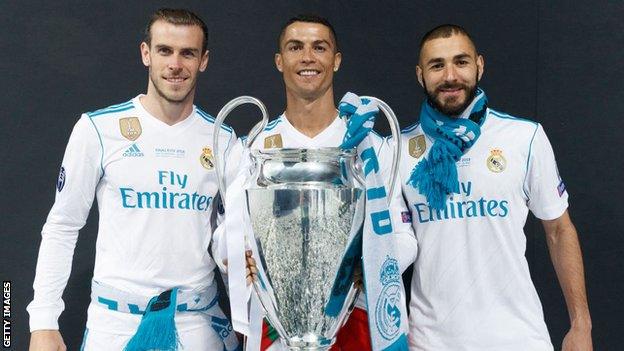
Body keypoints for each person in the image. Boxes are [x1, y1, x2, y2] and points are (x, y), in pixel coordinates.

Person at [27, 8, 239, 351]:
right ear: (146, 54)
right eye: (164, 50)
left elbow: (235, 237)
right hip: (116, 326)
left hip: (198, 323)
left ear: (204, 61)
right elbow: (63, 226)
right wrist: (43, 321)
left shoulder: (223, 140)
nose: (175, 64)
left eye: (188, 53)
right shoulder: (98, 129)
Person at [214, 14, 417, 351]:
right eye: (296, 48)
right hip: (276, 325)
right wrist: (239, 256)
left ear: (335, 61)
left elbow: (402, 238)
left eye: (319, 47)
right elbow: (224, 237)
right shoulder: (255, 146)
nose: (307, 57)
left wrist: (368, 264)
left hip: (356, 320)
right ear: (280, 61)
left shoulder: (369, 146)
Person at [398, 24, 592, 350]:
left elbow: (559, 230)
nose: (450, 75)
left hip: (517, 338)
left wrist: (581, 325)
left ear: (479, 66)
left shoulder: (523, 137)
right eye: (437, 65)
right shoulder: (396, 149)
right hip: (429, 342)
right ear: (420, 75)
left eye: (461, 62)